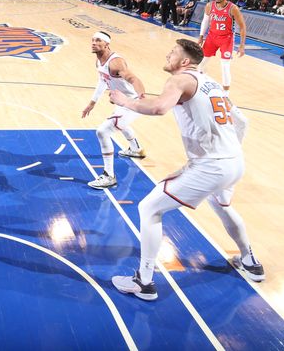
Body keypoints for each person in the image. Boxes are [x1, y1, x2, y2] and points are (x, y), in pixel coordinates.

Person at [110, 39, 263, 301]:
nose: (167, 55)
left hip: (213, 166)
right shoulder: (213, 84)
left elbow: (158, 108)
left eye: (172, 53)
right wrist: (211, 159)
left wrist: (125, 101)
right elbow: (243, 122)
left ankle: (144, 282)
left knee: (149, 208)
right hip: (235, 162)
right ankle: (250, 261)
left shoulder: (180, 80)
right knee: (222, 206)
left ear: (184, 62)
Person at [82, 32, 147, 190]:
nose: (94, 43)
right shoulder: (99, 61)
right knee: (119, 122)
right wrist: (92, 103)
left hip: (132, 102)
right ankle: (136, 149)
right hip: (121, 102)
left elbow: (133, 79)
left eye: (98, 40)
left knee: (103, 132)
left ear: (107, 44)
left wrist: (142, 96)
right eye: (92, 40)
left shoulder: (115, 62)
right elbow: (102, 81)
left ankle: (109, 176)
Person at [197, 0, 247, 95]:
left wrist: (242, 45)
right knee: (201, 64)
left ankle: (225, 93)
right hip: (211, 37)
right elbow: (205, 21)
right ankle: (202, 83)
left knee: (225, 66)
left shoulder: (233, 8)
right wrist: (201, 36)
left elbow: (242, 26)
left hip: (226, 39)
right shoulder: (209, 6)